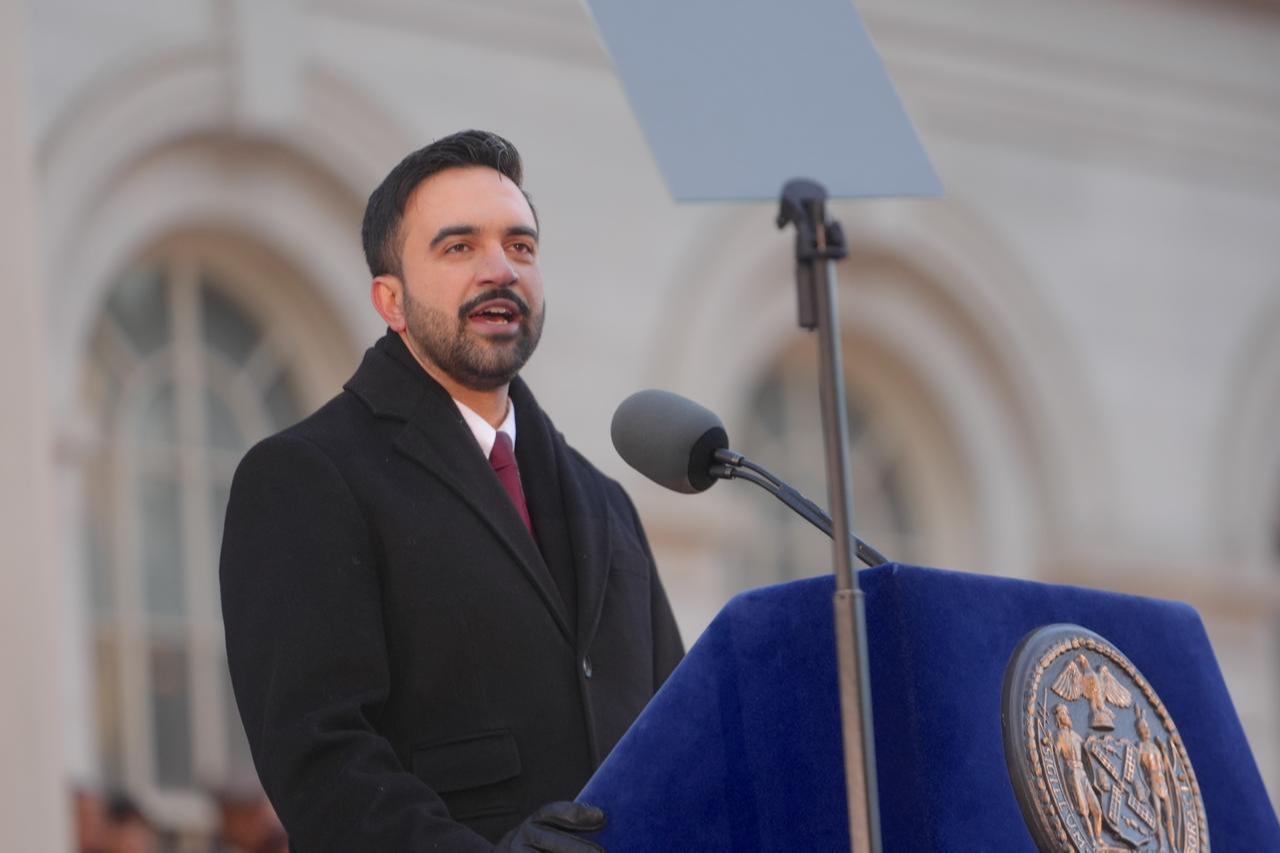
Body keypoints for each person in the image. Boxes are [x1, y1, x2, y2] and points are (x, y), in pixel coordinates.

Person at [220, 129, 684, 852]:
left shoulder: (606, 503)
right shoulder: (306, 475)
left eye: (521, 246)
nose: (500, 269)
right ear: (391, 300)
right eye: (459, 246)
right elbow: (321, 759)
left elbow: (676, 732)